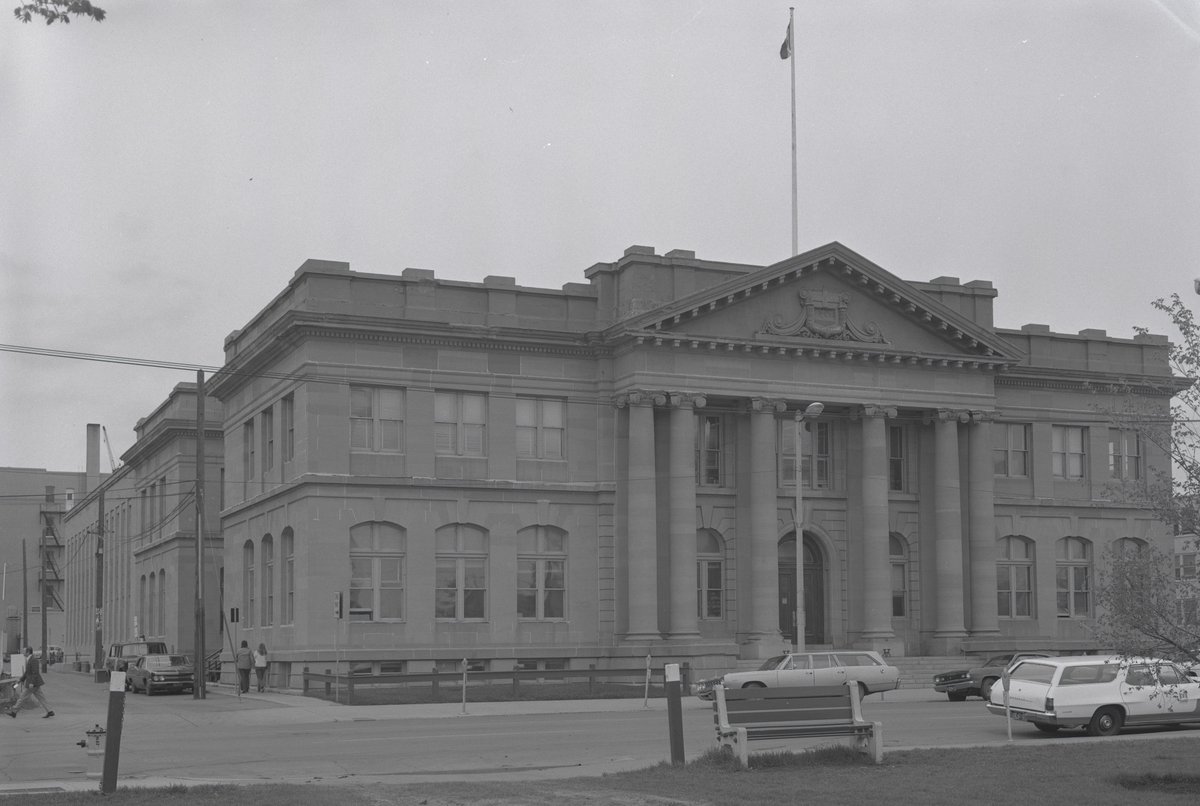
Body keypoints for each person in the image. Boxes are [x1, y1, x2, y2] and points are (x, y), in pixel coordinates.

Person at [6, 647, 53, 719]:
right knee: (41, 698)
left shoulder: (33, 660)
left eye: (24, 651)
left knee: (22, 697)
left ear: (28, 652)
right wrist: (20, 680)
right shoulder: (29, 659)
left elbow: (35, 672)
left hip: (32, 684)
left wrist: (31, 683)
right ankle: (50, 711)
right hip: (34, 684)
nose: (23, 652)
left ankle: (14, 712)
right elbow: (27, 673)